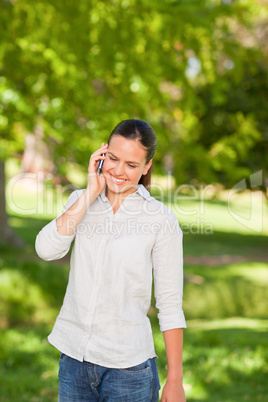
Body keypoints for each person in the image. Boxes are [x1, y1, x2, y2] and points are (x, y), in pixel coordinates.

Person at [35, 119, 186, 402]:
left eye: (131, 164)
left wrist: (175, 379)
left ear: (147, 167)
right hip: (74, 362)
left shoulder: (160, 219)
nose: (118, 171)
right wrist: (91, 192)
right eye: (113, 159)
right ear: (102, 153)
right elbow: (46, 249)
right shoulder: (80, 201)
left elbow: (170, 304)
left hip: (129, 371)